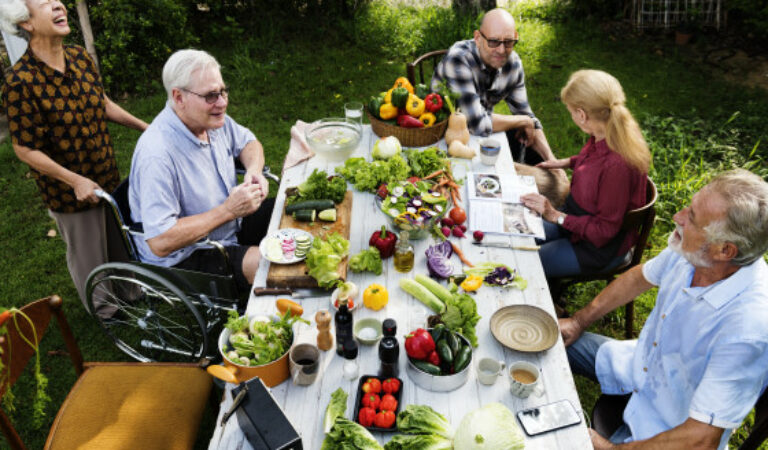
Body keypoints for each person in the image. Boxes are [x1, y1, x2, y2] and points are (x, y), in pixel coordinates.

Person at [561, 169, 768, 449]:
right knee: (546, 339)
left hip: (666, 428)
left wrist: (611, 448)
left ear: (725, 251)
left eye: (692, 218)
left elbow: (701, 438)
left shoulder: (749, 328)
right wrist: (577, 321)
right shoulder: (693, 248)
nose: (678, 217)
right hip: (637, 364)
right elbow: (639, 278)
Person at [0, 0, 148, 316]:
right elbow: (24, 148)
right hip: (68, 190)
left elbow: (101, 102)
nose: (59, 5)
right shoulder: (19, 82)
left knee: (118, 236)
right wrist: (74, 179)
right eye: (46, 3)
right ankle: (105, 309)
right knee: (88, 252)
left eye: (58, 0)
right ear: (26, 22)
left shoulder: (80, 57)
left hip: (104, 170)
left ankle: (131, 291)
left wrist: (144, 127)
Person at [129, 49, 273, 293]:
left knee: (292, 218)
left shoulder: (211, 119)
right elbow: (161, 241)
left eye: (223, 91)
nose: (222, 102)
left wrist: (254, 171)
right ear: (179, 97)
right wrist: (228, 210)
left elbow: (250, 143)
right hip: (186, 255)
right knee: (272, 266)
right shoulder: (157, 154)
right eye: (210, 96)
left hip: (229, 226)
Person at [521, 70, 650, 278]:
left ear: (582, 115)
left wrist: (554, 215)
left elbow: (604, 231)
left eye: (571, 111)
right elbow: (594, 160)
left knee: (525, 265)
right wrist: (566, 162)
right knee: (517, 238)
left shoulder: (617, 166)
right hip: (575, 222)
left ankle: (549, 299)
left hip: (595, 248)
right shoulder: (608, 130)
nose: (571, 116)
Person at [431, 8, 556, 166]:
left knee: (536, 151)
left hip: (481, 134)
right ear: (477, 38)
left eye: (508, 42)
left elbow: (527, 116)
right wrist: (523, 120)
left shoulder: (513, 63)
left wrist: (552, 161)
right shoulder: (458, 59)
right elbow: (476, 123)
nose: (502, 50)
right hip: (441, 138)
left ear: (515, 37)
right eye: (493, 41)